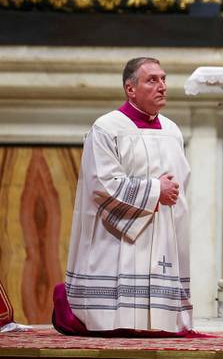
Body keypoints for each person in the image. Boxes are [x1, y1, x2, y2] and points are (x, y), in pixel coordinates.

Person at [53, 57, 192, 336]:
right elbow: (101, 183)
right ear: (131, 89)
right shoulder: (107, 128)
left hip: (161, 228)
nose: (162, 86)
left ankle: (161, 322)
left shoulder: (172, 131)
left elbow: (180, 183)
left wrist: (167, 196)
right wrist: (155, 191)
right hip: (117, 233)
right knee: (119, 319)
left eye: (163, 79)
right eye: (152, 80)